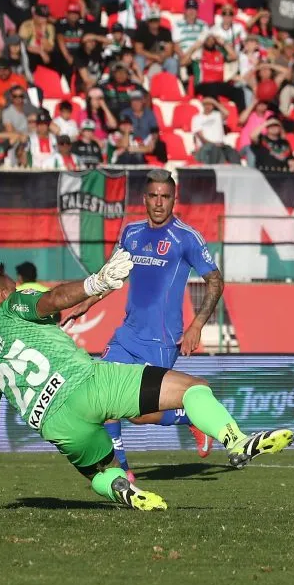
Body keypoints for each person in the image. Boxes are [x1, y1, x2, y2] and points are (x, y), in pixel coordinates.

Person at [0, 250, 294, 511]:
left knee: (103, 471)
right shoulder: (15, 304)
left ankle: (124, 490)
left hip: (57, 425)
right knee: (193, 388)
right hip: (88, 384)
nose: (20, 290)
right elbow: (54, 299)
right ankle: (235, 440)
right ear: (4, 294)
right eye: (14, 288)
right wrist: (96, 283)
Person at [68, 169, 222, 482]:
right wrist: (87, 301)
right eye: (153, 196)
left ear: (174, 199)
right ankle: (122, 470)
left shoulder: (186, 238)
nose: (159, 202)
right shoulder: (131, 233)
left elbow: (215, 281)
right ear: (144, 199)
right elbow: (112, 274)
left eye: (165, 197)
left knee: (138, 415)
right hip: (127, 335)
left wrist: (197, 325)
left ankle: (190, 415)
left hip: (161, 341)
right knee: (102, 396)